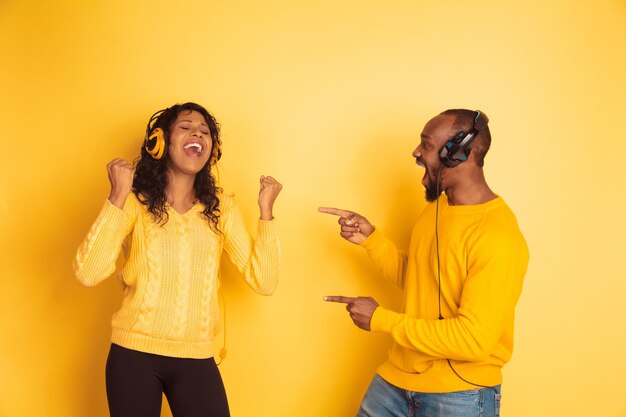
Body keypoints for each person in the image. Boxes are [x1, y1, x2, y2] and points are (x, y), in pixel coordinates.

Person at [73, 102, 282, 417]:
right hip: (134, 356)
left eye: (204, 131)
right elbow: (88, 274)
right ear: (159, 143)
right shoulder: (133, 202)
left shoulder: (222, 208)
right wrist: (116, 197)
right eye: (185, 127)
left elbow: (264, 282)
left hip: (196, 357)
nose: (197, 133)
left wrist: (266, 212)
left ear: (212, 149)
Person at [319, 109, 528, 417]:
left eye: (427, 145)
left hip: (460, 393)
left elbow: (472, 339)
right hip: (395, 381)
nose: (416, 152)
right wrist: (372, 240)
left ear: (459, 152)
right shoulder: (435, 210)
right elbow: (423, 279)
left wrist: (380, 319)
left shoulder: (498, 236)